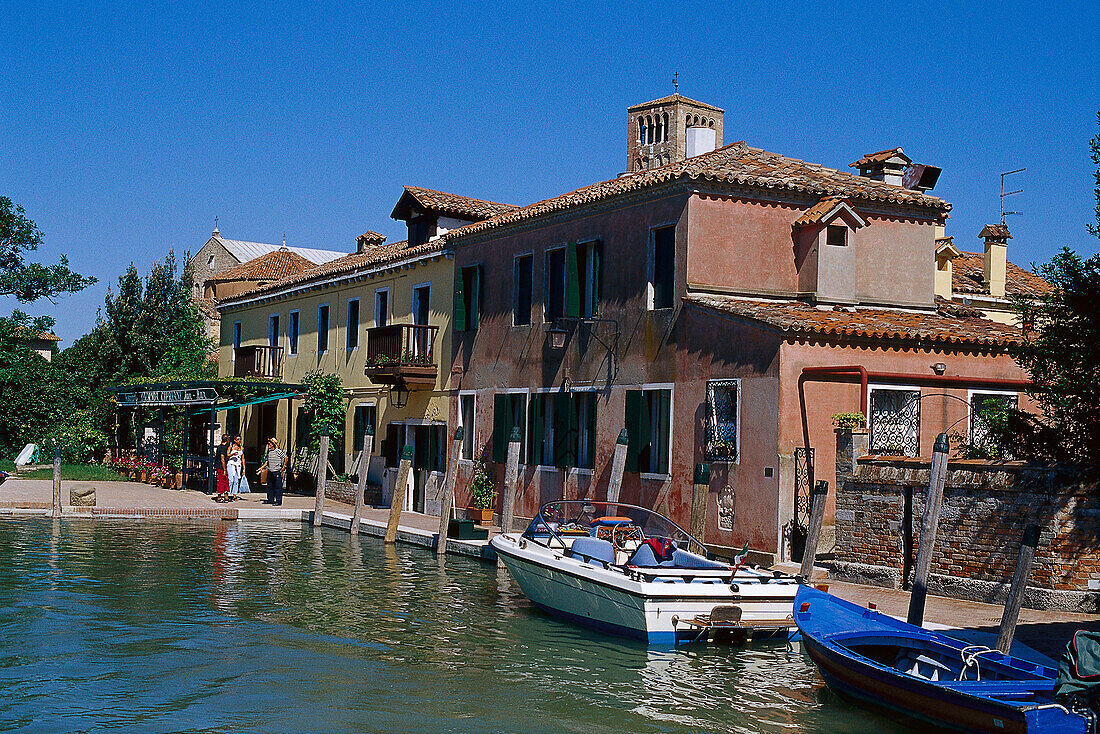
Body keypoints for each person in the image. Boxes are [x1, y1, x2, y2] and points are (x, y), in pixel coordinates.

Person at [262, 437, 287, 506]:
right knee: (270, 486)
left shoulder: (278, 451)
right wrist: (261, 468)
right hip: (270, 471)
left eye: (270, 443)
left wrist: (284, 466)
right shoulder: (269, 452)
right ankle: (270, 500)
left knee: (278, 487)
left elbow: (286, 457)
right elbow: (267, 461)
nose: (268, 444)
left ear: (273, 444)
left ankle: (278, 501)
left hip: (276, 471)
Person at [226, 434, 246, 501]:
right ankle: (228, 494)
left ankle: (235, 494)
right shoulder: (231, 446)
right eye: (237, 439)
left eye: (240, 439)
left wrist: (244, 468)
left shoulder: (242, 448)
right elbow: (227, 455)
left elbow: (243, 458)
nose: (239, 441)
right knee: (231, 480)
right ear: (234, 440)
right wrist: (232, 454)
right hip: (231, 464)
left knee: (236, 481)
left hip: (238, 465)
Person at [214, 434, 230, 502]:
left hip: (221, 467)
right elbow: (222, 459)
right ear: (227, 440)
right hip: (221, 467)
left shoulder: (220, 447)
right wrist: (224, 469)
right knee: (221, 481)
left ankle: (226, 496)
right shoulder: (222, 448)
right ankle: (219, 497)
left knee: (225, 481)